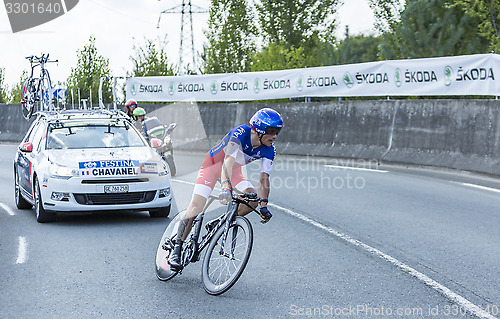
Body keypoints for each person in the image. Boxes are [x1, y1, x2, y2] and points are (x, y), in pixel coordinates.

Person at [168, 108, 283, 270]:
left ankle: (220, 221)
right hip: (213, 165)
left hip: (234, 172)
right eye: (271, 132)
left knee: (253, 199)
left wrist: (264, 205)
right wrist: (225, 188)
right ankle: (177, 248)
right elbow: (227, 162)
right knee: (196, 207)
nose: (275, 136)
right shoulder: (240, 133)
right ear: (259, 130)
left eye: (277, 132)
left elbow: (264, 178)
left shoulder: (270, 149)